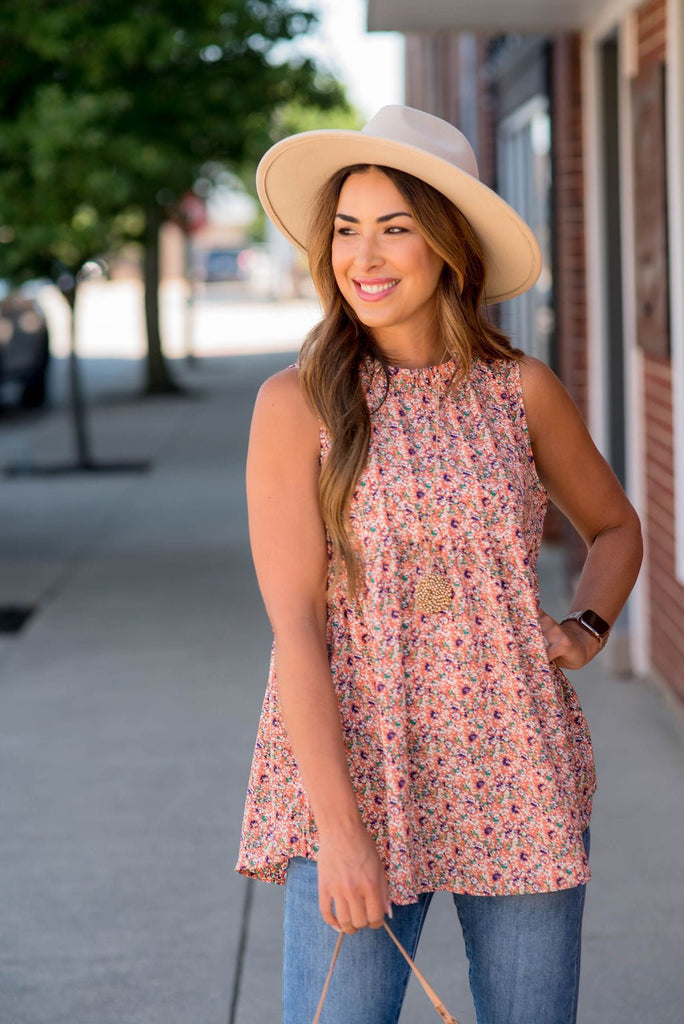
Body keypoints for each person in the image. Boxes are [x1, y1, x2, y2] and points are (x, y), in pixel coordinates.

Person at [236, 106, 642, 1024]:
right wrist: (339, 833)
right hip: (357, 773)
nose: (363, 257)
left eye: (394, 229)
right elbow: (295, 627)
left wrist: (583, 628)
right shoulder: (294, 404)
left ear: (450, 247)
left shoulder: (519, 390)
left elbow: (617, 528)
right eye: (345, 230)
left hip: (515, 765)